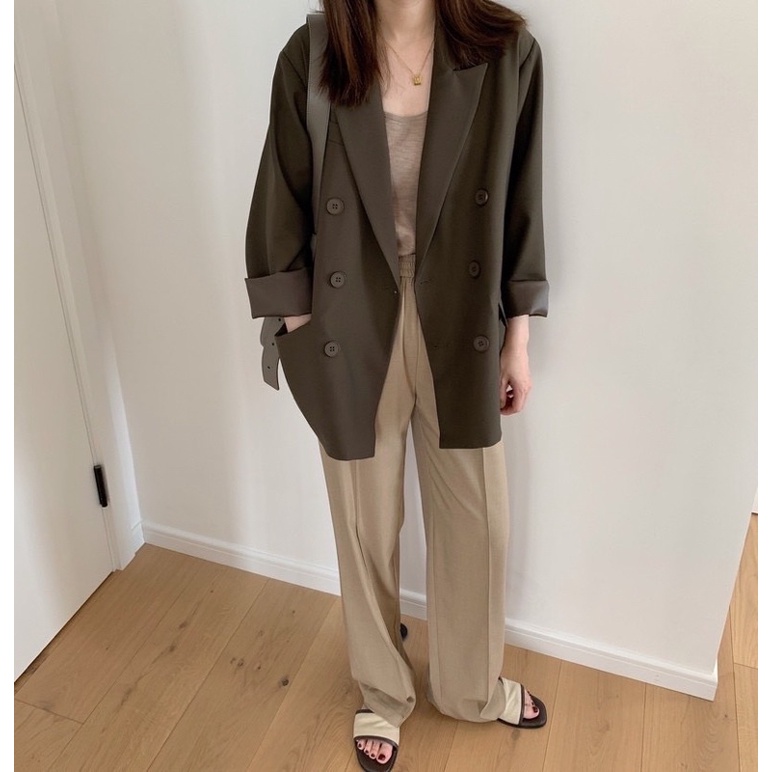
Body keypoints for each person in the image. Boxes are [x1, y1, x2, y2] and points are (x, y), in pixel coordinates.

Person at [245, 0, 549, 769]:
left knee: (479, 524)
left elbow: (523, 202)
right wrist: (300, 328)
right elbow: (280, 196)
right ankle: (382, 692)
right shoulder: (313, 54)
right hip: (350, 323)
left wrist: (518, 340)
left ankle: (471, 687)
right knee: (364, 525)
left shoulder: (507, 53)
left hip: (462, 320)